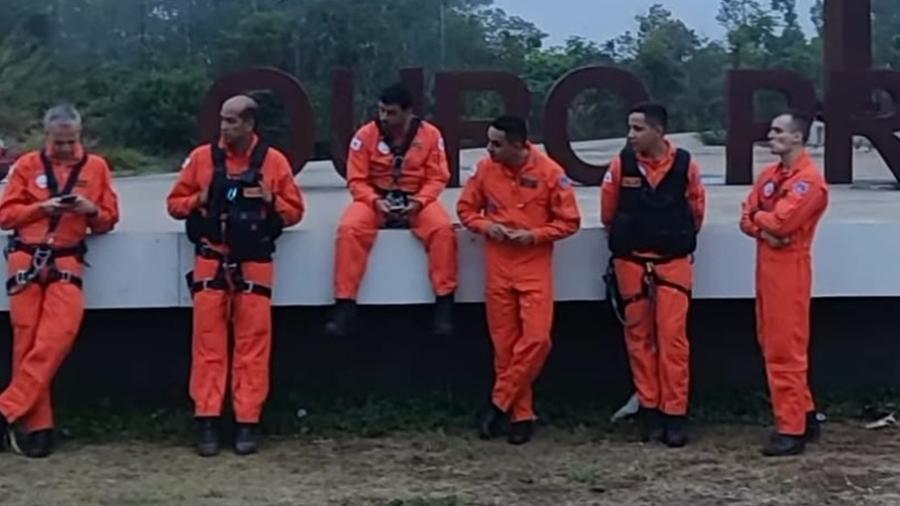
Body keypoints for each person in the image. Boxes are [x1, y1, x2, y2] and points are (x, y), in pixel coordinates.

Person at [167, 95, 305, 457]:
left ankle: (248, 422)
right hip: (212, 260)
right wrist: (200, 197)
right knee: (208, 346)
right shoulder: (201, 159)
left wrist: (270, 199)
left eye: (232, 122)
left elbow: (294, 212)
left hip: (255, 262)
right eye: (223, 120)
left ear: (249, 124)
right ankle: (207, 421)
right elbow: (173, 205)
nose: (224, 128)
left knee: (253, 347)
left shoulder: (273, 162)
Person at [0, 104, 120, 458]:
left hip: (67, 261)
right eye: (59, 142)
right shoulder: (26, 166)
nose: (66, 149)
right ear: (46, 136)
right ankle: (39, 428)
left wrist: (91, 211)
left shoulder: (96, 168)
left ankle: (7, 409)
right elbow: (6, 216)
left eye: (71, 142)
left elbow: (110, 218)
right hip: (27, 259)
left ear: (80, 136)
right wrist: (42, 208)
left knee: (55, 339)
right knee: (27, 342)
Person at [458, 115, 580, 445]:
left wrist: (535, 235)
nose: (489, 148)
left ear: (519, 144)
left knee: (537, 340)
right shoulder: (484, 170)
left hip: (533, 266)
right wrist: (487, 227)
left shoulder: (551, 173)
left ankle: (497, 404)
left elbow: (570, 222)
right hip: (498, 266)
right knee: (505, 348)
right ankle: (521, 415)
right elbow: (466, 210)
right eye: (489, 141)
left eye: (496, 143)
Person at [601, 103, 706, 448]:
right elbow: (608, 211)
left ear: (658, 131)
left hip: (673, 263)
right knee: (639, 340)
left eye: (637, 128)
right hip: (631, 262)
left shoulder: (686, 165)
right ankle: (649, 410)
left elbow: (696, 209)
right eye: (629, 128)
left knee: (673, 340)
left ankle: (674, 414)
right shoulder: (621, 165)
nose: (630, 135)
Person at [326, 83, 457, 337]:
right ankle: (344, 304)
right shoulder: (365, 135)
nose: (385, 117)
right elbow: (356, 180)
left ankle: (444, 304)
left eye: (392, 112)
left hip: (417, 199)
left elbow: (438, 177)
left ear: (408, 112)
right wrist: (375, 201)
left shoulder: (430, 135)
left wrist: (419, 201)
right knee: (349, 230)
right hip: (375, 198)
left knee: (443, 231)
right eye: (382, 111)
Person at [740, 111, 829, 457]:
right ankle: (804, 415)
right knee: (770, 342)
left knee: (784, 350)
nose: (770, 134)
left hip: (790, 271)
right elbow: (746, 219)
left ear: (797, 138)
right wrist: (765, 226)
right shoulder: (769, 176)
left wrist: (763, 222)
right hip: (767, 266)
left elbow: (781, 221)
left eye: (779, 131)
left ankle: (790, 429)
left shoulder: (809, 181)